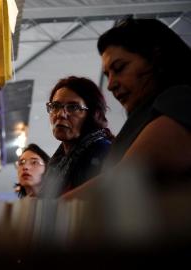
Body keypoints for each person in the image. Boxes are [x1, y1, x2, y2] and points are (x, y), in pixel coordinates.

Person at [63, 18, 191, 200]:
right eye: (108, 75)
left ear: (156, 57)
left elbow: (125, 177)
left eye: (120, 68)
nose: (111, 84)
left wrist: (47, 212)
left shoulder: (181, 99)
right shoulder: (146, 115)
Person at [39, 76, 114, 198]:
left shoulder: (102, 151)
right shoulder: (58, 161)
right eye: (55, 106)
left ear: (93, 114)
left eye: (73, 107)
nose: (61, 114)